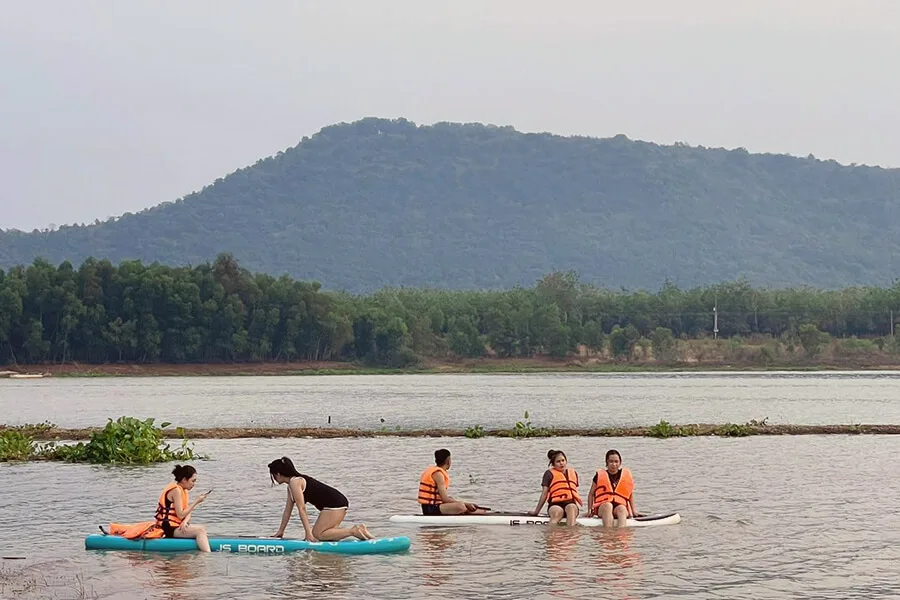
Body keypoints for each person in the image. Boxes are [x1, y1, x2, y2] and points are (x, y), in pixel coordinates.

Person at [269, 456, 374, 541]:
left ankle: (354, 530)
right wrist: (281, 531)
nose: (273, 478)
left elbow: (302, 509)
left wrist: (308, 534)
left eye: (273, 475)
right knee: (327, 535)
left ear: (278, 474)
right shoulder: (291, 486)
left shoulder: (295, 482)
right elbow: (287, 511)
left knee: (318, 534)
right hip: (337, 502)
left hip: (334, 504)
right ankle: (360, 531)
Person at [155, 464, 211, 552]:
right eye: (193, 481)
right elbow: (181, 515)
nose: (194, 484)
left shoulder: (183, 490)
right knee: (200, 531)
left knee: (203, 528)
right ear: (184, 479)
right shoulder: (176, 490)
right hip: (168, 528)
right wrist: (196, 502)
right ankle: (207, 556)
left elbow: (187, 512)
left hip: (177, 526)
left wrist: (184, 522)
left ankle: (200, 548)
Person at [418, 449, 488, 515]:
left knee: (452, 499)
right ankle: (470, 512)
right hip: (431, 509)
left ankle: (469, 510)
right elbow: (445, 499)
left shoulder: (435, 471)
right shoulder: (438, 474)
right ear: (448, 461)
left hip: (434, 506)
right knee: (460, 506)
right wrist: (466, 504)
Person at [587, 449, 641, 527]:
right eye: (611, 461)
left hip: (619, 507)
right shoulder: (598, 476)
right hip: (603, 507)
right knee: (608, 506)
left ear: (620, 463)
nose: (614, 464)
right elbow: (591, 494)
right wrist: (589, 510)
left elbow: (630, 495)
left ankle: (621, 535)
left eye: (616, 462)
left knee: (622, 508)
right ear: (607, 462)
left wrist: (633, 511)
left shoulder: (625, 476)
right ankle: (608, 534)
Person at [528, 449, 583, 526]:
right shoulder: (548, 474)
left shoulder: (573, 473)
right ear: (553, 464)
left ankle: (571, 534)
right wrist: (536, 512)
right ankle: (552, 535)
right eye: (558, 461)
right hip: (555, 504)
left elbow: (574, 492)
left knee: (571, 508)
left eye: (563, 460)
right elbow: (544, 494)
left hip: (571, 504)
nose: (561, 463)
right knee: (557, 512)